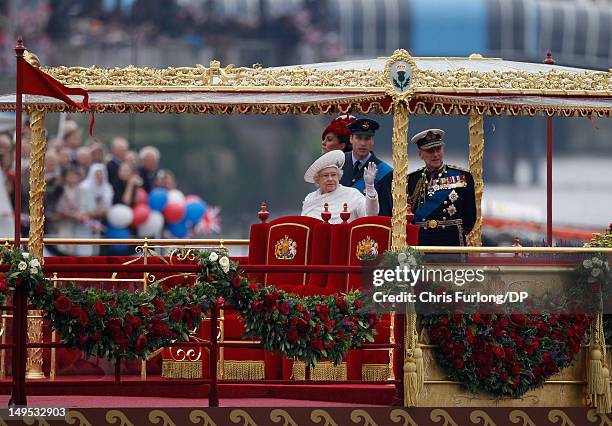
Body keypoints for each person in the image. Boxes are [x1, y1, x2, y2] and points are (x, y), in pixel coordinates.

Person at [407, 129, 477, 246]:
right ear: (420, 154)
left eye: (438, 149)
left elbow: (470, 214)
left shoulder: (462, 176)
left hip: (451, 240)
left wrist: (458, 232)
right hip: (422, 241)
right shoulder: (412, 180)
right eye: (430, 151)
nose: (435, 154)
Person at [301, 150, 379, 223]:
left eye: (333, 175)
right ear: (317, 179)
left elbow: (370, 215)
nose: (330, 179)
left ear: (338, 177)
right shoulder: (310, 198)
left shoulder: (352, 194)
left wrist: (370, 187)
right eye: (325, 175)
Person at [339, 118, 393, 216]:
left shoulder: (385, 172)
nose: (363, 143)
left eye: (367, 139)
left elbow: (385, 212)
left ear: (372, 141)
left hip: (366, 228)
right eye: (359, 138)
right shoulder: (338, 162)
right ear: (351, 139)